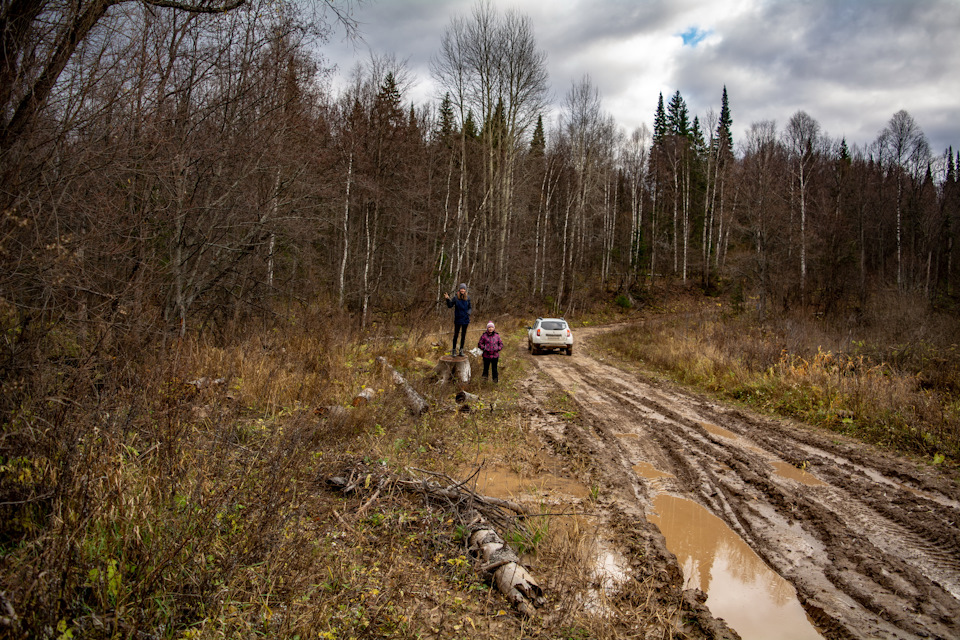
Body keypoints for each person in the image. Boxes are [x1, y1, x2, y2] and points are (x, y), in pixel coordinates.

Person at [443, 283, 471, 356]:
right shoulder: (456, 298)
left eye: (464, 289)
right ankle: (454, 350)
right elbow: (450, 306)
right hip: (458, 319)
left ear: (465, 290)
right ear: (459, 289)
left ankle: (461, 350)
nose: (462, 290)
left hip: (465, 320)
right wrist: (447, 299)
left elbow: (470, 307)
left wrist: (468, 313)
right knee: (456, 335)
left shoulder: (468, 298)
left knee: (463, 336)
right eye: (461, 289)